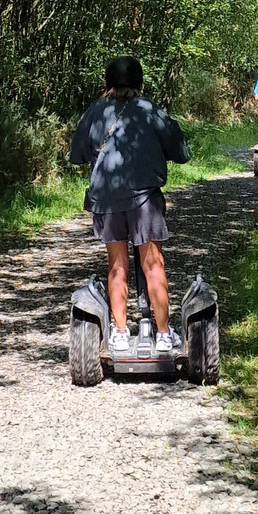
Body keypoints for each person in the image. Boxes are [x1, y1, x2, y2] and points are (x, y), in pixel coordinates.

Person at [69, 56, 190, 353]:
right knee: (152, 264)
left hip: (106, 199)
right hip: (145, 198)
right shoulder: (149, 110)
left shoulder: (95, 112)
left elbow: (76, 154)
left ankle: (120, 334)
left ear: (108, 82)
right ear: (139, 82)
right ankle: (162, 334)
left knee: (117, 267)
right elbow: (181, 151)